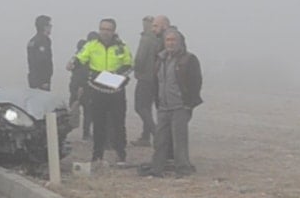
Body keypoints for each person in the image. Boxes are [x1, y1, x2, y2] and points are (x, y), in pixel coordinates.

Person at [141, 28, 202, 177]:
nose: (170, 43)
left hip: (180, 106)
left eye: (173, 40)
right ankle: (157, 168)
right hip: (163, 107)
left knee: (179, 140)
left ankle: (183, 169)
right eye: (168, 40)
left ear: (180, 42)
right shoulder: (160, 59)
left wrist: (189, 104)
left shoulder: (189, 59)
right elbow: (156, 83)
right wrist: (157, 101)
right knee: (160, 139)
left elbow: (196, 83)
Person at [70, 19, 133, 164]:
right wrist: (73, 63)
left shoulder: (121, 47)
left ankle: (120, 155)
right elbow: (80, 59)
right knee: (98, 124)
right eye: (102, 29)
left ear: (114, 31)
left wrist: (117, 76)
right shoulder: (91, 45)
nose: (105, 32)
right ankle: (97, 156)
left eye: (108, 29)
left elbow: (129, 65)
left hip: (116, 91)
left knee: (118, 124)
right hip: (97, 90)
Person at [132, 15, 169, 146]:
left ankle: (155, 134)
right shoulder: (160, 39)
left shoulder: (146, 39)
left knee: (140, 107)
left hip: (145, 78)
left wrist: (135, 69)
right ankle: (145, 136)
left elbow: (140, 58)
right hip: (156, 78)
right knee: (147, 107)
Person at [68, 32, 99, 148]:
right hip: (83, 86)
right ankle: (85, 134)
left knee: (74, 109)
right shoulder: (88, 54)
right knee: (87, 111)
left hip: (75, 85)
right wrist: (81, 86)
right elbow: (83, 72)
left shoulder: (80, 51)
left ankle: (65, 132)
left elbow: (71, 67)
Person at [27, 15, 54, 90]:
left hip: (33, 79)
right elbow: (42, 61)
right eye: (49, 25)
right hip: (41, 81)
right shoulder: (43, 41)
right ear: (44, 27)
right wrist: (44, 81)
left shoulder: (32, 41)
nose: (51, 27)